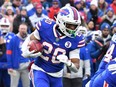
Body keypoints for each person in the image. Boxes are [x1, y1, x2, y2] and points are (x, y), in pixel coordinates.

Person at [21, 5, 85, 87]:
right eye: (69, 25)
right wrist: (25, 51)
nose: (72, 29)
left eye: (75, 26)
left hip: (57, 75)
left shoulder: (76, 39)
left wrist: (69, 63)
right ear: (60, 21)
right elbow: (30, 39)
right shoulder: (45, 27)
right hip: (40, 70)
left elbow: (76, 67)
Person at [7, 23, 31, 87]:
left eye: (24, 29)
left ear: (26, 29)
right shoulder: (13, 39)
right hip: (15, 67)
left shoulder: (29, 39)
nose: (23, 30)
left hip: (26, 67)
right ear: (18, 29)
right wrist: (9, 66)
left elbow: (33, 53)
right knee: (13, 85)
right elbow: (9, 53)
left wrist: (32, 64)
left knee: (27, 85)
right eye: (21, 28)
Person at [0, 17, 15, 87]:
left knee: (8, 83)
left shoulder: (13, 36)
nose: (4, 27)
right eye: (2, 25)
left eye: (6, 26)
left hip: (9, 63)